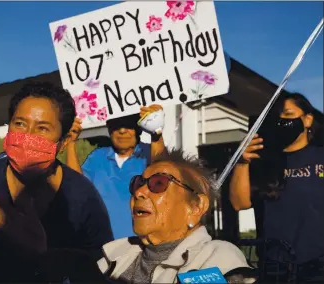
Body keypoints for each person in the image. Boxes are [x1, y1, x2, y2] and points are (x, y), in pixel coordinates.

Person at [0, 82, 114, 283]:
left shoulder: (82, 197)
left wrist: (40, 257)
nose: (28, 135)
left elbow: (98, 268)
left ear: (63, 142)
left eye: (42, 128)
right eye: (20, 124)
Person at [97, 149, 256, 283]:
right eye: (138, 183)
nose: (139, 192)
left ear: (195, 207)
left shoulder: (217, 258)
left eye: (158, 183)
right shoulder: (113, 256)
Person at [229, 92, 324, 282]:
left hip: (319, 267)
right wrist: (241, 163)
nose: (282, 120)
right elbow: (239, 204)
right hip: (275, 267)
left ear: (307, 120)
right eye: (277, 116)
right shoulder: (262, 160)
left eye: (288, 114)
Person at [66, 106, 166, 239]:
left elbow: (164, 174)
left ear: (138, 129)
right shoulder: (97, 157)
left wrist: (156, 134)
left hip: (142, 245)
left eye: (128, 125)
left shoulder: (149, 154)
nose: (122, 131)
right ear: (109, 128)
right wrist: (71, 142)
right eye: (116, 125)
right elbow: (76, 185)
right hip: (102, 245)